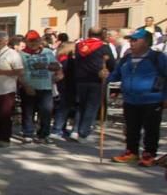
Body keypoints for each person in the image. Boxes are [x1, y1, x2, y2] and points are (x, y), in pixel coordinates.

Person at [107, 28, 167, 166]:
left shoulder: (158, 57)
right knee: (131, 128)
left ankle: (149, 154)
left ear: (146, 42)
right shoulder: (127, 58)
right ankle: (131, 152)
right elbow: (116, 75)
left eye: (135, 40)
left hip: (152, 99)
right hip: (130, 99)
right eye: (131, 40)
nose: (132, 43)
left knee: (151, 128)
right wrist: (106, 77)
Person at [70, 27, 112, 142]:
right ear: (102, 35)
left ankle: (75, 130)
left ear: (89, 34)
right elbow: (112, 63)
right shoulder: (104, 47)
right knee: (91, 107)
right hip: (96, 80)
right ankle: (83, 132)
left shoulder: (79, 46)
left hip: (80, 79)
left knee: (81, 106)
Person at [0, 32, 26, 147]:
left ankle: (4, 138)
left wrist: (2, 72)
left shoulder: (12, 54)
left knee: (4, 115)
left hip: (6, 90)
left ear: (6, 41)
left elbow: (20, 71)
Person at [19, 30, 60, 144]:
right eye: (30, 41)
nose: (33, 43)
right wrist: (26, 86)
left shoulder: (48, 52)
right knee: (28, 112)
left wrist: (46, 66)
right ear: (26, 41)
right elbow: (19, 72)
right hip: (29, 86)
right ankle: (27, 133)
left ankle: (44, 134)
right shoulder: (21, 54)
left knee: (46, 111)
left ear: (40, 40)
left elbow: (56, 66)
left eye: (35, 40)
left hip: (45, 87)